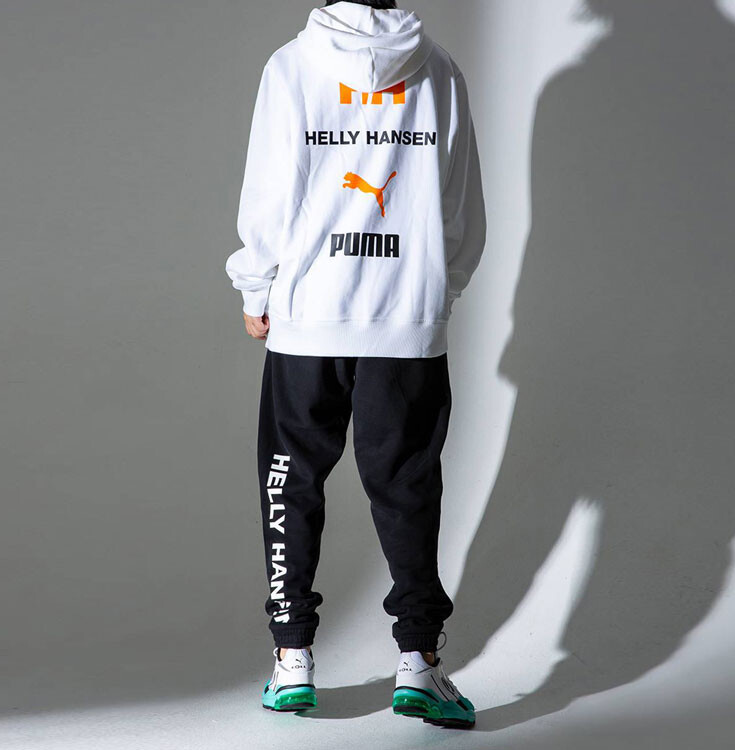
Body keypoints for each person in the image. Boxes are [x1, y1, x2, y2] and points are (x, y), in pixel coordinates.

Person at [225, 0, 486, 728]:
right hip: (404, 315)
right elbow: (460, 201)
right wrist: (434, 293)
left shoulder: (291, 67)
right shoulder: (438, 70)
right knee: (408, 485)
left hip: (309, 314)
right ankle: (419, 664)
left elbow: (271, 188)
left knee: (291, 478)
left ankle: (292, 659)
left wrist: (256, 284)